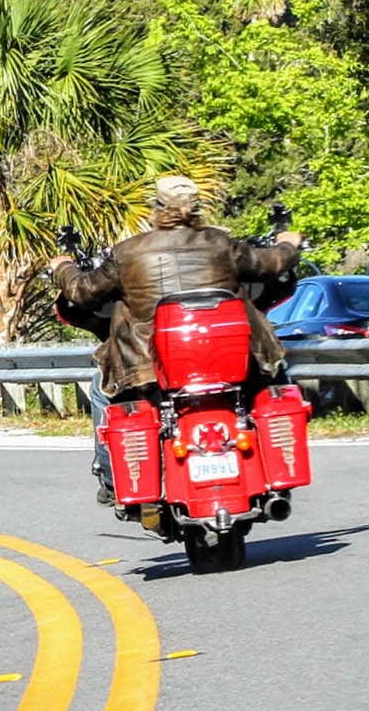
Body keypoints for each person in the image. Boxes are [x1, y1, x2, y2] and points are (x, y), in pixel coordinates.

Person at [48, 175, 303, 503]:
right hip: (233, 362)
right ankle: (277, 464)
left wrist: (63, 267)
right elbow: (270, 264)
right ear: (196, 208)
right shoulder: (220, 245)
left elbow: (83, 292)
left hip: (149, 368)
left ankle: (112, 481)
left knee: (101, 389)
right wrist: (287, 243)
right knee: (275, 375)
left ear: (157, 208)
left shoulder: (128, 254)